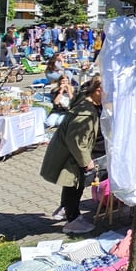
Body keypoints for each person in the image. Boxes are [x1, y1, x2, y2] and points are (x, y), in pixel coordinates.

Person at [40, 76, 104, 235]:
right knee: (74, 185)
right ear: (98, 90)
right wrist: (85, 161)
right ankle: (72, 219)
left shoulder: (88, 104)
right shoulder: (85, 112)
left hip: (73, 155)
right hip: (71, 156)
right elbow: (75, 140)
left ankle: (67, 210)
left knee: (74, 184)